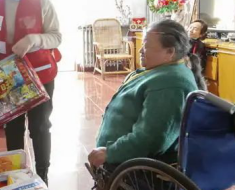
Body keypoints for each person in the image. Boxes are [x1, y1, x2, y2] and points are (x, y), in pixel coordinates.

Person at [0, 0, 62, 185]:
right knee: (13, 127)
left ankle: (42, 173)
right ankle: (15, 175)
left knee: (40, 125)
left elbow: (56, 36)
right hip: (9, 74)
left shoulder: (41, 1)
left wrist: (34, 39)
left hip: (40, 73)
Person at [88, 19, 206, 171]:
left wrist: (110, 153)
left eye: (146, 46)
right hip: (119, 159)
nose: (140, 51)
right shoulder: (161, 70)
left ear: (170, 52)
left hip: (130, 166)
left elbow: (151, 139)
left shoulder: (171, 83)